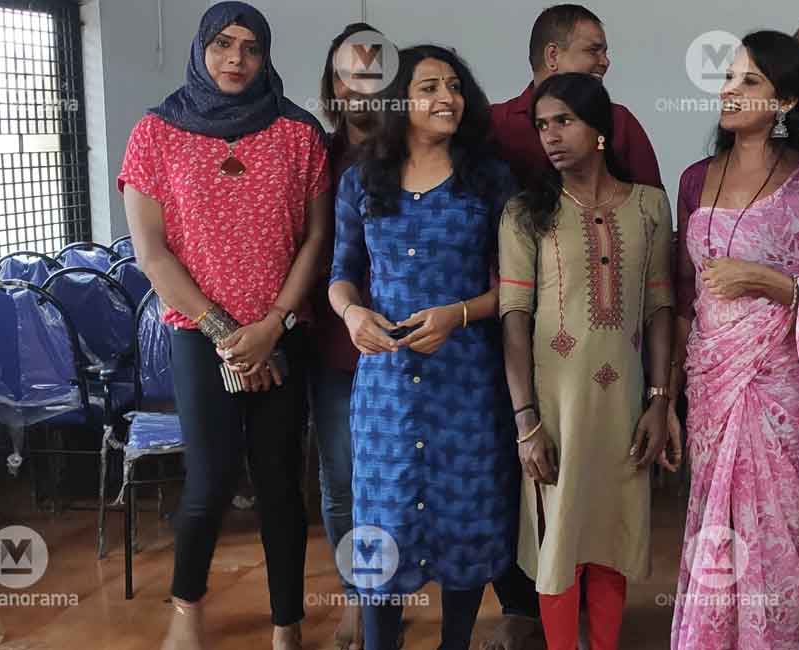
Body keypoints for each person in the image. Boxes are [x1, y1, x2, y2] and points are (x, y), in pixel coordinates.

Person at [117, 3, 330, 649]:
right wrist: (227, 334)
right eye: (221, 44)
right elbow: (152, 252)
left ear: (266, 56)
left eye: (250, 48)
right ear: (200, 50)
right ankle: (187, 608)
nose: (235, 59)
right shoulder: (154, 133)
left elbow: (317, 238)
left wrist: (272, 325)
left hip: (283, 332)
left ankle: (287, 622)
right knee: (208, 480)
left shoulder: (299, 133)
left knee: (277, 482)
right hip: (197, 335)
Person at [668, 30, 799, 649]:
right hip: (712, 386)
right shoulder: (694, 178)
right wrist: (666, 397)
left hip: (784, 395)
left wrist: (771, 282)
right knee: (718, 528)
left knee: (778, 530)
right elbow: (686, 294)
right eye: (728, 78)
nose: (729, 90)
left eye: (748, 81)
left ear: (784, 101)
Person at [327, 44, 518, 650]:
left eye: (455, 86)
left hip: (463, 383)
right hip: (385, 389)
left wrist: (458, 316)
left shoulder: (488, 180)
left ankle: (454, 642)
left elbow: (516, 287)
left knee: (464, 520)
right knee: (381, 529)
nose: (447, 99)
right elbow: (341, 273)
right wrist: (353, 312)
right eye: (430, 86)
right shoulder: (362, 179)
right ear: (399, 101)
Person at [485, 7, 661, 649]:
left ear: (601, 131)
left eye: (565, 122)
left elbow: (661, 308)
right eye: (542, 125)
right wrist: (525, 418)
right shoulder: (524, 213)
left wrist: (661, 402)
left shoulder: (649, 207)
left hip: (626, 399)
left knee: (613, 530)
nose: (551, 136)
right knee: (558, 535)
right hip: (553, 402)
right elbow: (513, 320)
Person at [312, 20, 381, 650]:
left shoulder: (421, 148)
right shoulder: (314, 152)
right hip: (334, 344)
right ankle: (359, 599)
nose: (363, 83)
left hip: (409, 345)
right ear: (333, 86)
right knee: (342, 480)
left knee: (403, 479)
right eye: (349, 71)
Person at [490, 4, 662, 190]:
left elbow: (650, 206)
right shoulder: (497, 123)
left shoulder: (619, 120)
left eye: (605, 52)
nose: (605, 62)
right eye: (593, 50)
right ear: (552, 56)